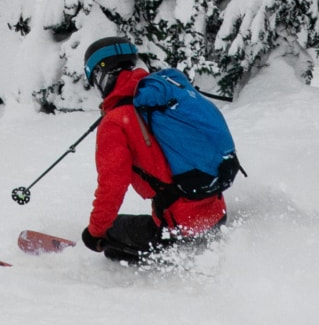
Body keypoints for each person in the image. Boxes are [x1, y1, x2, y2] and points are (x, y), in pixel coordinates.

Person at [80, 37, 227, 264]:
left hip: (178, 229)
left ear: (102, 75)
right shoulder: (162, 100)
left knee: (111, 234)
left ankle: (156, 271)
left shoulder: (116, 122)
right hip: (216, 215)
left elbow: (112, 187)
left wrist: (95, 232)